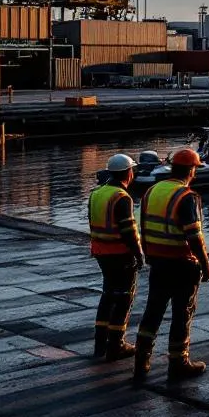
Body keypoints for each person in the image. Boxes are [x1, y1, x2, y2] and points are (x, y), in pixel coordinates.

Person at [133, 147, 209, 384]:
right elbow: (194, 237)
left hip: (158, 262)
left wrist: (148, 254)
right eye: (195, 170)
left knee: (152, 312)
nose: (195, 174)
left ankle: (141, 362)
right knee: (182, 314)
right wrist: (205, 264)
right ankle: (179, 362)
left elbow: (144, 226)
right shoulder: (186, 196)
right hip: (182, 265)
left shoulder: (151, 191)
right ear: (190, 170)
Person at [87, 153, 145, 361]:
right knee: (123, 299)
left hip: (101, 253)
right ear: (128, 173)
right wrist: (139, 255)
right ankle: (117, 345)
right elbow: (128, 231)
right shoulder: (122, 197)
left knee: (107, 296)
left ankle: (100, 344)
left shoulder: (96, 193)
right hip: (120, 255)